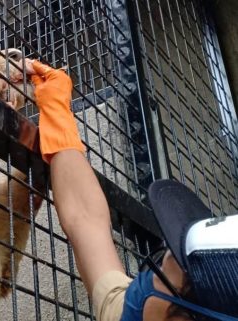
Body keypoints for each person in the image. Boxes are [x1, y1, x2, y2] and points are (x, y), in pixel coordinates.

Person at [24, 58, 238, 321]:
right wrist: (56, 110)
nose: (148, 276)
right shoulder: (140, 312)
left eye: (162, 271)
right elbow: (86, 221)